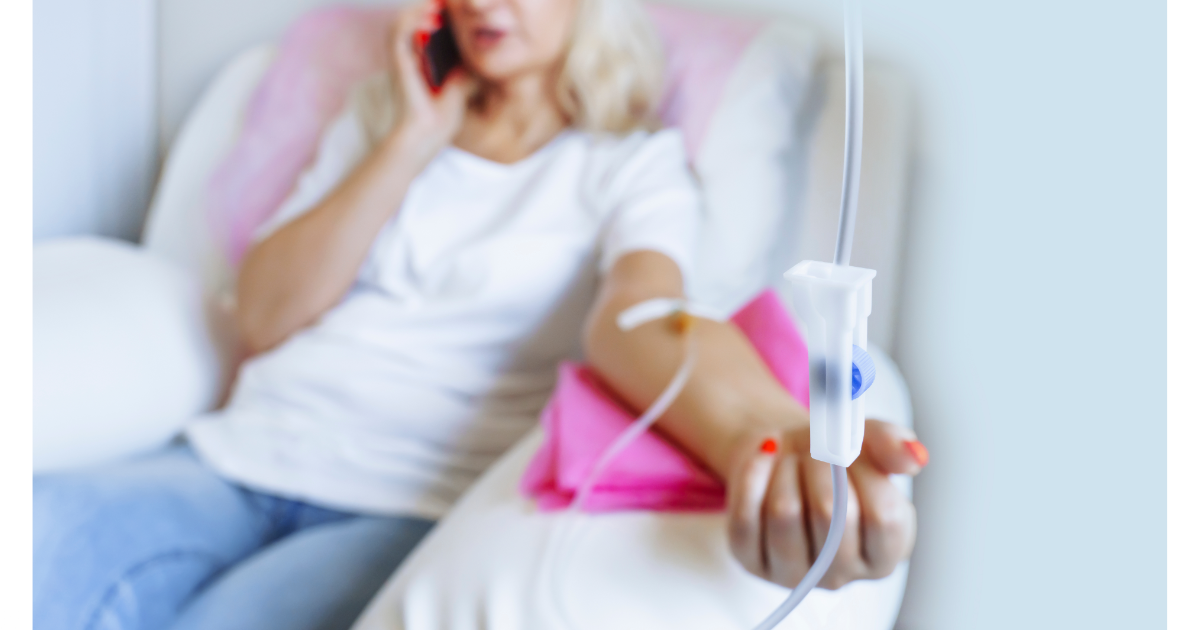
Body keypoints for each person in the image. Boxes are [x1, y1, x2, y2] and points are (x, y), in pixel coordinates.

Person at [33, 0, 928, 628]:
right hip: (232, 457)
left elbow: (644, 318)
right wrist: (411, 138)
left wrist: (760, 433)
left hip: (398, 500)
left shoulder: (629, 165)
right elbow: (264, 316)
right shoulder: (382, 127)